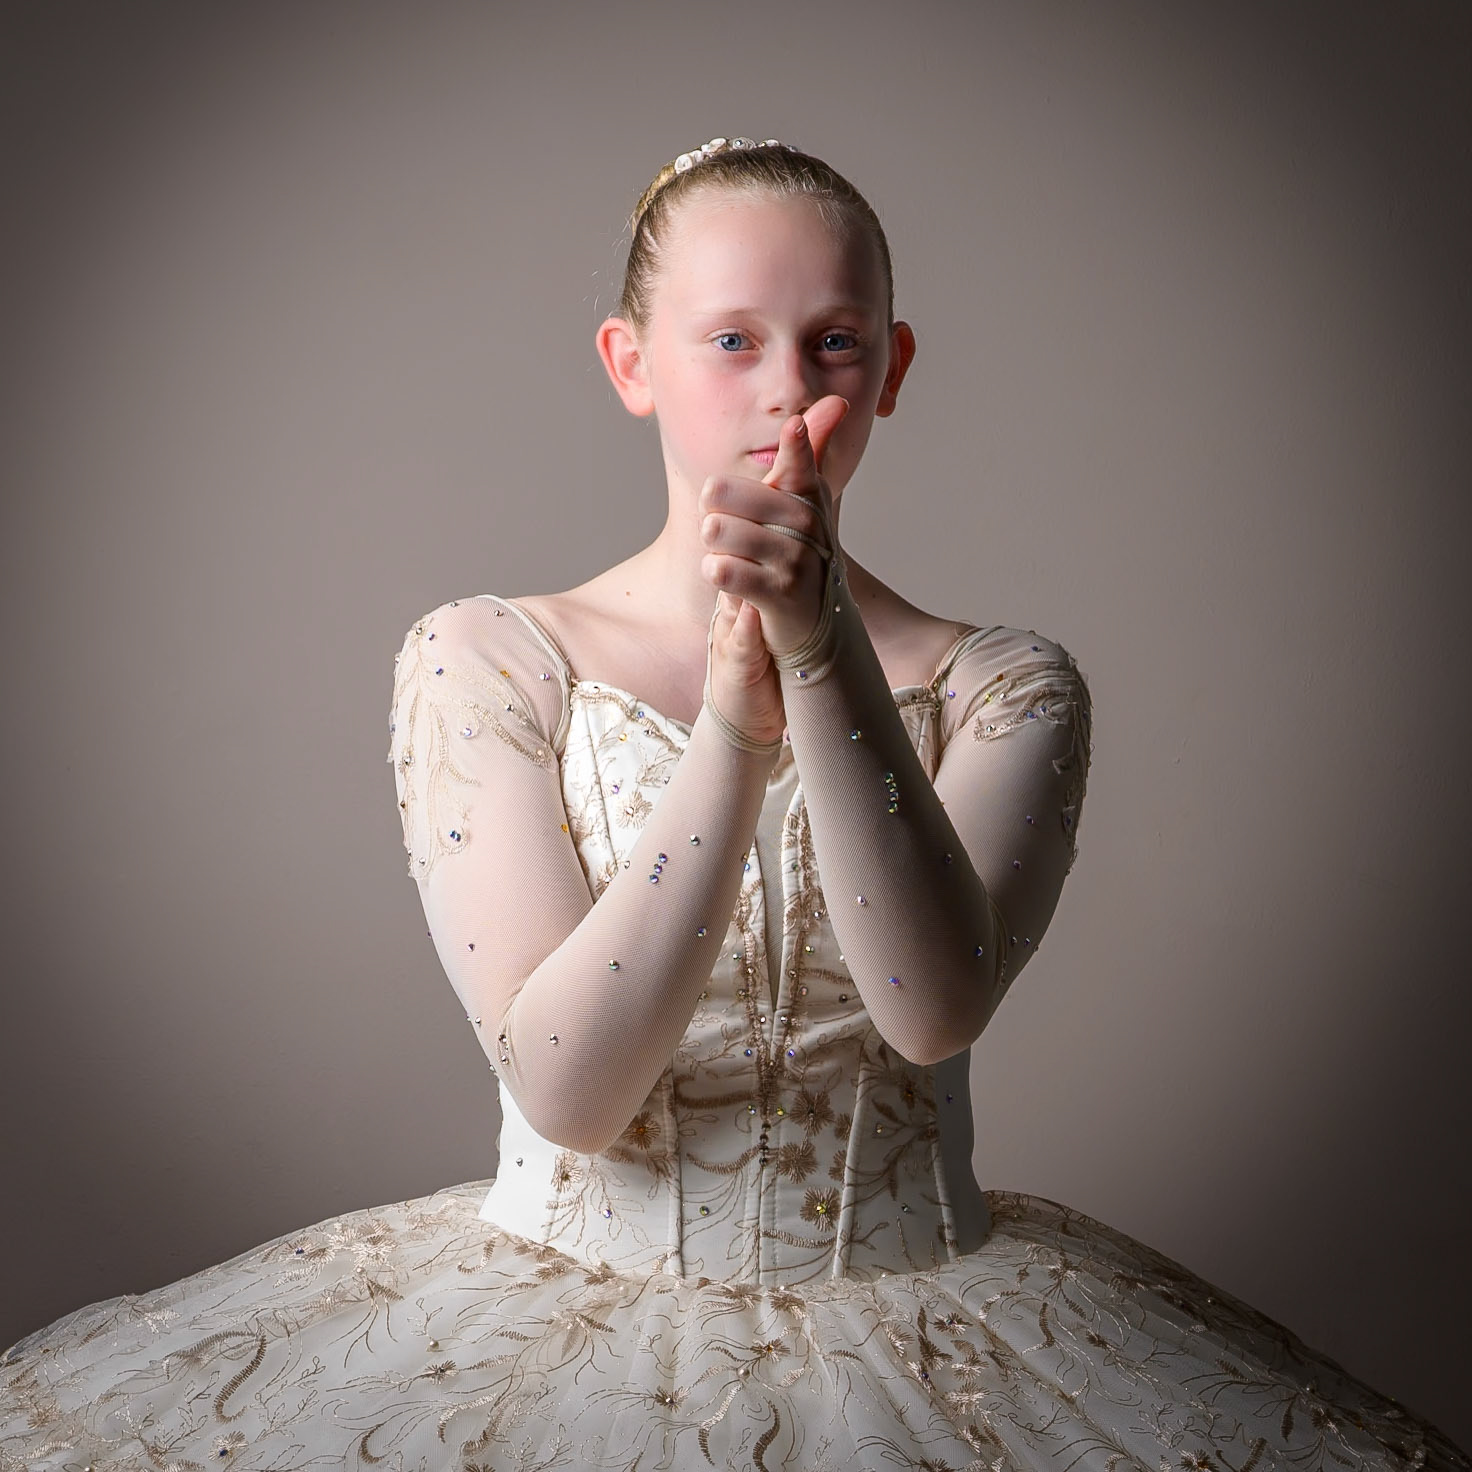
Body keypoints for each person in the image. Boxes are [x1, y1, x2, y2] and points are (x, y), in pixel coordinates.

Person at [0, 136, 1464, 1472]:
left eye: (833, 344)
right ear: (631, 363)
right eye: (730, 341)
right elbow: (567, 1087)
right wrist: (729, 722)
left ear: (891, 368)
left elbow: (931, 1006)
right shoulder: (491, 657)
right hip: (559, 1326)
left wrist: (822, 653)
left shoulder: (1006, 684)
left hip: (921, 1322)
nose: (787, 389)